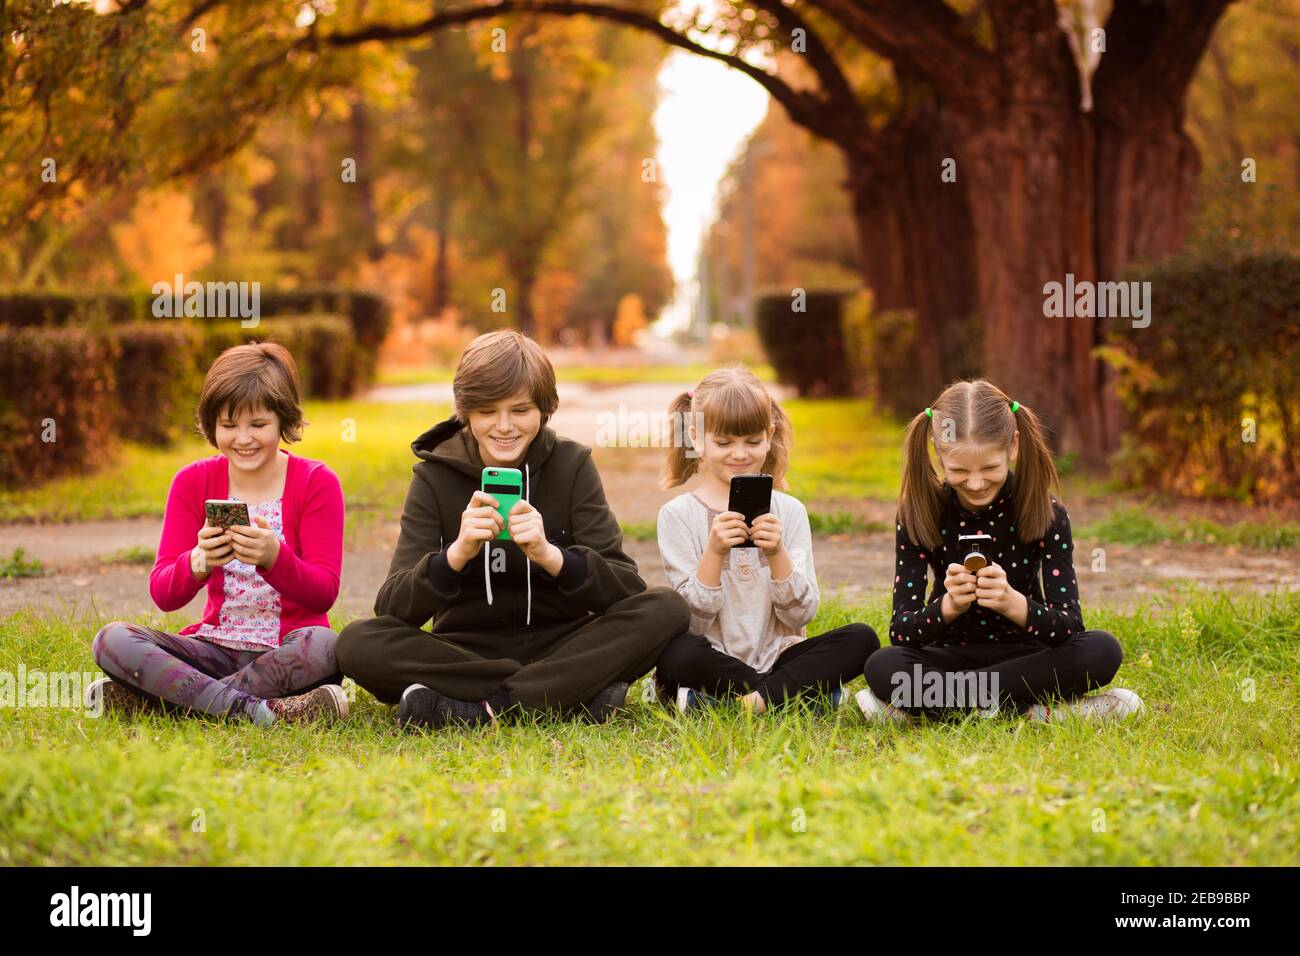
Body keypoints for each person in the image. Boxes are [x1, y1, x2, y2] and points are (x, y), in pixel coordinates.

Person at [335, 329, 689, 729]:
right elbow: (392, 608)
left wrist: (551, 556)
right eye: (488, 411)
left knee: (667, 607)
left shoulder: (572, 465)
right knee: (356, 642)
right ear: (466, 412)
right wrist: (456, 555)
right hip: (464, 651)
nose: (504, 426)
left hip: (564, 642)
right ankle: (567, 695)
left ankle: (483, 708)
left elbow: (626, 590)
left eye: (520, 411)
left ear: (544, 409)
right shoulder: (434, 476)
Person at [88, 342, 348, 725]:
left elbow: (324, 591)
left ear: (283, 421)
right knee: (112, 639)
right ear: (212, 425)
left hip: (285, 651)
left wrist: (274, 558)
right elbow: (163, 593)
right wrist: (197, 561)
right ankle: (260, 713)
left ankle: (166, 701)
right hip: (213, 647)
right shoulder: (193, 482)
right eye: (229, 426)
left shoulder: (316, 482)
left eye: (258, 425)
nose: (243, 439)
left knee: (326, 646)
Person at [860, 378, 1144, 723]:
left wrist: (1015, 604)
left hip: (1026, 657)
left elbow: (1069, 627)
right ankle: (1034, 711)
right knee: (883, 665)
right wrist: (947, 607)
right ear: (938, 454)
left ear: (1013, 446)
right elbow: (902, 631)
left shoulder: (1047, 511)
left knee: (1102, 650)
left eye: (990, 469)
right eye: (959, 471)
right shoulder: (918, 512)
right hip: (948, 656)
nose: (976, 483)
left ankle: (937, 711)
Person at [654, 366, 879, 715]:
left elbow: (802, 613)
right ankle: (795, 695)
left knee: (862, 639)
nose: (740, 454)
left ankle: (740, 703)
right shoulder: (677, 515)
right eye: (724, 443)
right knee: (674, 653)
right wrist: (714, 553)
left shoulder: (789, 512)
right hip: (714, 657)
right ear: (696, 437)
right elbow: (693, 623)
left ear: (770, 434)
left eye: (753, 442)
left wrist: (777, 555)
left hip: (779, 654)